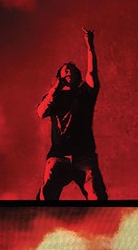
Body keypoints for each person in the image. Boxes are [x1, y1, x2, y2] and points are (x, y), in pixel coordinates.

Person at [36, 28, 108, 201]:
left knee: (97, 197)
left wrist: (90, 46)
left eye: (71, 70)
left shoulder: (85, 92)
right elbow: (41, 112)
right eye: (65, 70)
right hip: (59, 156)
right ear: (59, 76)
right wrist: (55, 88)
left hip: (84, 156)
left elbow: (92, 73)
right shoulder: (54, 96)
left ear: (77, 75)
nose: (68, 72)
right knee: (47, 198)